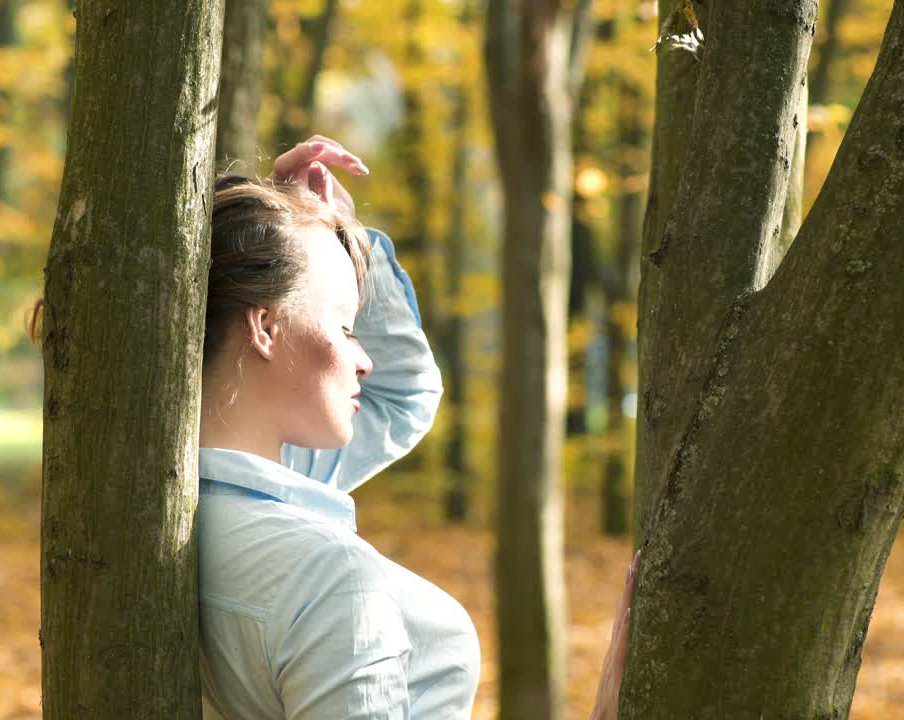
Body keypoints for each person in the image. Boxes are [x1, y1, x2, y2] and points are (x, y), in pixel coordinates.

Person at [195, 136, 640, 720]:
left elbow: (400, 399)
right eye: (346, 326)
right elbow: (398, 394)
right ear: (266, 329)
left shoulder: (182, 502)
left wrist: (336, 237)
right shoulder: (328, 577)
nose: (365, 358)